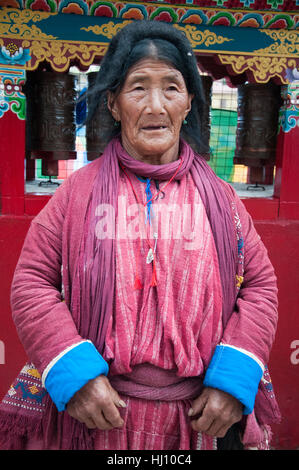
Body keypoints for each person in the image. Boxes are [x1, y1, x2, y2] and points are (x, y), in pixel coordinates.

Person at [0, 20, 280, 450]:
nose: (155, 105)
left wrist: (232, 382)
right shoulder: (79, 192)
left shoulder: (221, 200)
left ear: (189, 103)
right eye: (137, 89)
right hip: (101, 418)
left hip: (199, 421)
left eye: (171, 88)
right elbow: (32, 282)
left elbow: (260, 287)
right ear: (113, 104)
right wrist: (76, 377)